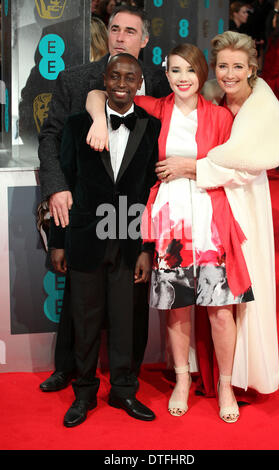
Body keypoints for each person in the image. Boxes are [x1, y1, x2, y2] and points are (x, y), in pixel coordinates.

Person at [86, 43, 256, 423]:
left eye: (190, 71)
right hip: (170, 225)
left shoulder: (220, 117)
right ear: (166, 74)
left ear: (202, 74)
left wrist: (190, 167)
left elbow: (236, 168)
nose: (183, 78)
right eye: (175, 70)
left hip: (211, 223)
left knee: (220, 312)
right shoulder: (155, 108)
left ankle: (225, 385)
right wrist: (98, 119)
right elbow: (99, 93)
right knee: (177, 310)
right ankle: (181, 379)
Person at [38, 4, 171, 393]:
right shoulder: (76, 79)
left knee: (130, 298)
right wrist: (55, 187)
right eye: (115, 28)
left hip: (135, 217)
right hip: (83, 211)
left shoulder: (165, 85)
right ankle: (71, 371)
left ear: (144, 41)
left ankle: (125, 378)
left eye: (131, 31)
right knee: (81, 299)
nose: (120, 36)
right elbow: (52, 138)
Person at [49, 53, 161, 427]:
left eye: (130, 78)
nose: (121, 84)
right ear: (104, 78)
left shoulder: (152, 126)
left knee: (126, 318)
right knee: (85, 318)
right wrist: (58, 241)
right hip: (85, 237)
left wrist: (147, 247)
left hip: (129, 236)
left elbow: (149, 191)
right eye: (115, 76)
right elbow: (63, 187)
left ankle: (124, 390)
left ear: (139, 83)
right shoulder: (78, 124)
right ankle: (83, 393)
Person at [194, 30, 279, 418]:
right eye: (222, 66)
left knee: (243, 293)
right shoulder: (215, 99)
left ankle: (233, 381)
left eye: (237, 66)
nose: (229, 73)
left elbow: (245, 164)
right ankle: (210, 371)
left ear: (252, 68)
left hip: (246, 206)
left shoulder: (262, 106)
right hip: (213, 205)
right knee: (215, 297)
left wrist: (194, 168)